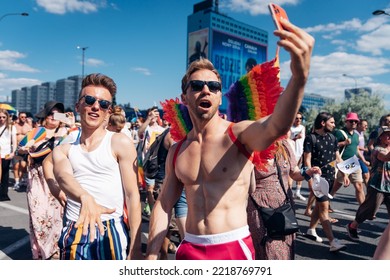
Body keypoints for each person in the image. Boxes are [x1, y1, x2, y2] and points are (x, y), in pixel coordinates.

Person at [145, 19, 314, 260]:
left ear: (219, 96)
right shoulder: (178, 150)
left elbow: (276, 125)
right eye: (198, 85)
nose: (206, 90)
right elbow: (163, 204)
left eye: (213, 86)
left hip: (232, 247)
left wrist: (299, 78)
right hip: (189, 247)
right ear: (185, 96)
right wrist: (151, 255)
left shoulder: (238, 135)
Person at [52, 73, 142, 260]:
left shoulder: (119, 142)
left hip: (110, 229)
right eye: (90, 100)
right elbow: (62, 176)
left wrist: (135, 246)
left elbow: (133, 196)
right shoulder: (65, 148)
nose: (96, 107)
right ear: (78, 106)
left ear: (108, 112)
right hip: (75, 227)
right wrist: (84, 197)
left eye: (103, 104)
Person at [247, 138, 321, 259]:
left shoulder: (284, 145)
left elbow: (294, 172)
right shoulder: (251, 146)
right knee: (267, 248)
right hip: (260, 208)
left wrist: (308, 172)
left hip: (284, 204)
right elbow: (247, 186)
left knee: (285, 248)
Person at [17, 101, 69, 259]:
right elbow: (20, 148)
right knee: (39, 216)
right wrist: (24, 148)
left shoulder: (66, 133)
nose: (54, 117)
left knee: (57, 218)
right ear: (45, 116)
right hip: (37, 180)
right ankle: (41, 253)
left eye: (58, 114)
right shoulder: (37, 131)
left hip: (56, 179)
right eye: (51, 114)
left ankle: (55, 251)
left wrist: (70, 123)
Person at [303, 112, 347, 252]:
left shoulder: (333, 138)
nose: (334, 125)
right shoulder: (311, 138)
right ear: (323, 123)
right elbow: (307, 160)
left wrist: (344, 173)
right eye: (332, 122)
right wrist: (310, 177)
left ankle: (311, 229)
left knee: (319, 205)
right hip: (318, 179)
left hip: (330, 177)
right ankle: (333, 241)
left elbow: (337, 158)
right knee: (324, 208)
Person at [346, 126, 390, 241]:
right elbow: (385, 158)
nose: (389, 136)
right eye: (387, 134)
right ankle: (352, 226)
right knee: (369, 210)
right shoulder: (378, 149)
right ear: (380, 137)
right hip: (377, 185)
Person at [330, 112, 369, 205]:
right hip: (342, 162)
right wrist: (343, 143)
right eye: (351, 121)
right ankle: (324, 203)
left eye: (356, 121)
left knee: (359, 186)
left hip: (354, 162)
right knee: (336, 186)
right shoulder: (339, 133)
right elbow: (331, 146)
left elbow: (356, 149)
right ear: (346, 122)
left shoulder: (356, 135)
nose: (354, 123)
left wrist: (363, 160)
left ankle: (363, 211)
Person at [138, 106, 165, 214]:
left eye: (156, 113)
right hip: (148, 163)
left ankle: (157, 209)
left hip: (160, 163)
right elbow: (140, 131)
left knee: (158, 191)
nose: (154, 115)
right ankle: (152, 210)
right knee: (149, 189)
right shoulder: (146, 128)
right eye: (151, 113)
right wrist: (148, 119)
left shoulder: (163, 130)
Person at [13, 111, 33, 191]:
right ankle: (17, 181)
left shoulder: (28, 126)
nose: (23, 118)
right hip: (16, 147)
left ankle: (20, 180)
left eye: (25, 117)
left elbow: (31, 136)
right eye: (22, 117)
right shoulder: (14, 126)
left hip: (24, 148)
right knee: (16, 166)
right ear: (19, 117)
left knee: (23, 165)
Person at [0, 109, 17, 201]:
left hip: (6, 153)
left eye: (3, 117)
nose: (2, 119)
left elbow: (14, 141)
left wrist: (13, 152)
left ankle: (3, 194)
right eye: (0, 117)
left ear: (7, 117)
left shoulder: (11, 127)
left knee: (5, 174)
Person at [290, 112, 306, 201]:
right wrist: (296, 137)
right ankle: (289, 191)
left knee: (300, 171)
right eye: (296, 118)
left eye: (300, 118)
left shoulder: (302, 128)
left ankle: (298, 192)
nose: (298, 120)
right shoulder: (290, 128)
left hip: (301, 152)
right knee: (291, 172)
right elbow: (287, 140)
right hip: (293, 152)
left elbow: (304, 139)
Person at [356, 119, 370, 187]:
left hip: (360, 158)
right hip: (355, 158)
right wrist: (364, 149)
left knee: (366, 175)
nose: (366, 127)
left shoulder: (361, 133)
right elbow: (355, 147)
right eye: (365, 125)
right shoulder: (355, 133)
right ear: (359, 125)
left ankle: (369, 194)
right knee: (340, 180)